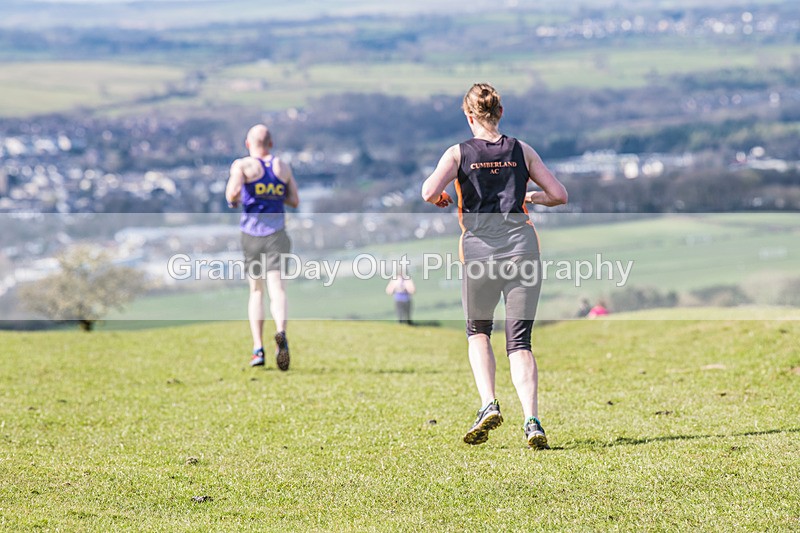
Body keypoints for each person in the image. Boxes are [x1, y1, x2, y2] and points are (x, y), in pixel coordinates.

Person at [421, 83, 567, 449]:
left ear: (469, 116)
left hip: (479, 253)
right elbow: (559, 195)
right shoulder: (522, 150)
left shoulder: (458, 153)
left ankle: (489, 403)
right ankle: (532, 421)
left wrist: (441, 198)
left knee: (478, 332)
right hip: (522, 249)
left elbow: (428, 192)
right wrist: (530, 196)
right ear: (500, 112)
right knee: (520, 341)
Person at [225, 124, 299, 370]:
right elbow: (294, 200)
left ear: (248, 143)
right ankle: (281, 333)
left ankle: (258, 348)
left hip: (252, 235)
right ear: (271, 143)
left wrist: (240, 198)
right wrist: (273, 194)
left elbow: (232, 193)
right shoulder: (282, 167)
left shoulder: (243, 165)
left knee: (256, 291)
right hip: (277, 234)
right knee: (278, 289)